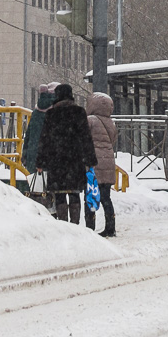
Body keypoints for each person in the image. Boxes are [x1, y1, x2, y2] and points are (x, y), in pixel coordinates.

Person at [39, 84, 96, 224]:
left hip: (56, 162)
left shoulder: (51, 114)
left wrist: (40, 162)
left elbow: (44, 140)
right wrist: (90, 160)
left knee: (59, 194)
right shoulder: (79, 112)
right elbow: (86, 138)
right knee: (74, 192)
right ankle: (75, 224)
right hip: (75, 161)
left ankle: (63, 224)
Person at [85, 91, 119, 237]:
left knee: (91, 196)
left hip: (94, 164)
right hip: (109, 163)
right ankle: (110, 227)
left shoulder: (90, 120)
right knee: (106, 197)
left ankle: (89, 228)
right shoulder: (111, 123)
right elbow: (113, 141)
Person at [22, 83, 57, 208]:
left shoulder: (36, 112)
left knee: (36, 186)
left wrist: (25, 154)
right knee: (52, 188)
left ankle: (37, 211)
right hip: (50, 155)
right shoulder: (55, 111)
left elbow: (29, 133)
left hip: (33, 153)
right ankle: (52, 212)